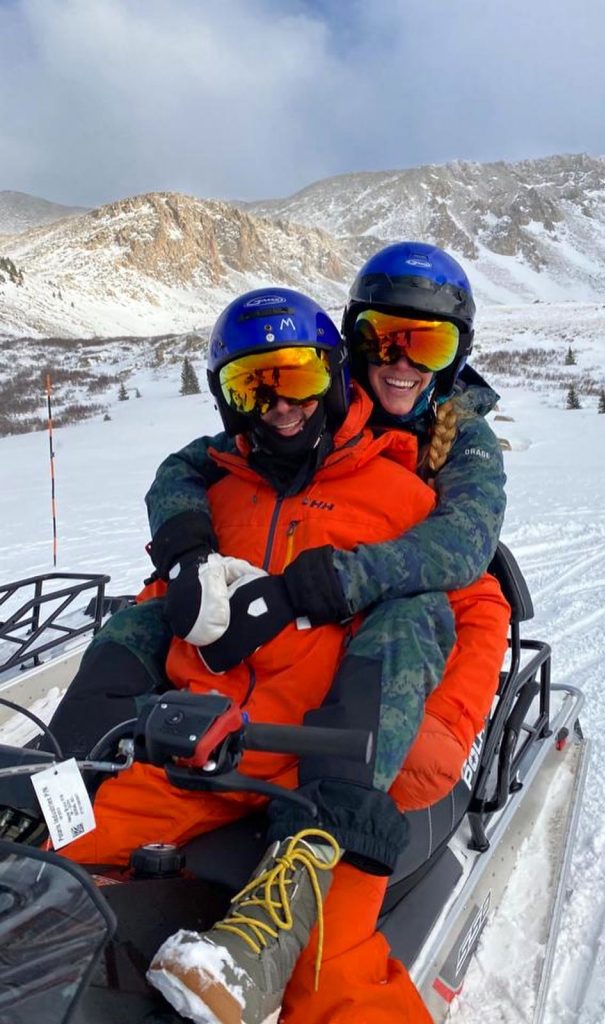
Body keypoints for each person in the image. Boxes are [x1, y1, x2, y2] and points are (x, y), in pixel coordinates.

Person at [59, 286, 510, 1024]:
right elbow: (162, 580)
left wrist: (407, 746)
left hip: (323, 774)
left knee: (329, 971)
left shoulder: (401, 496)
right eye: (253, 387)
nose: (281, 406)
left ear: (332, 375)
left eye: (298, 378)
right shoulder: (221, 486)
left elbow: (462, 599)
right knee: (49, 859)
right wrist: (170, 589)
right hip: (196, 755)